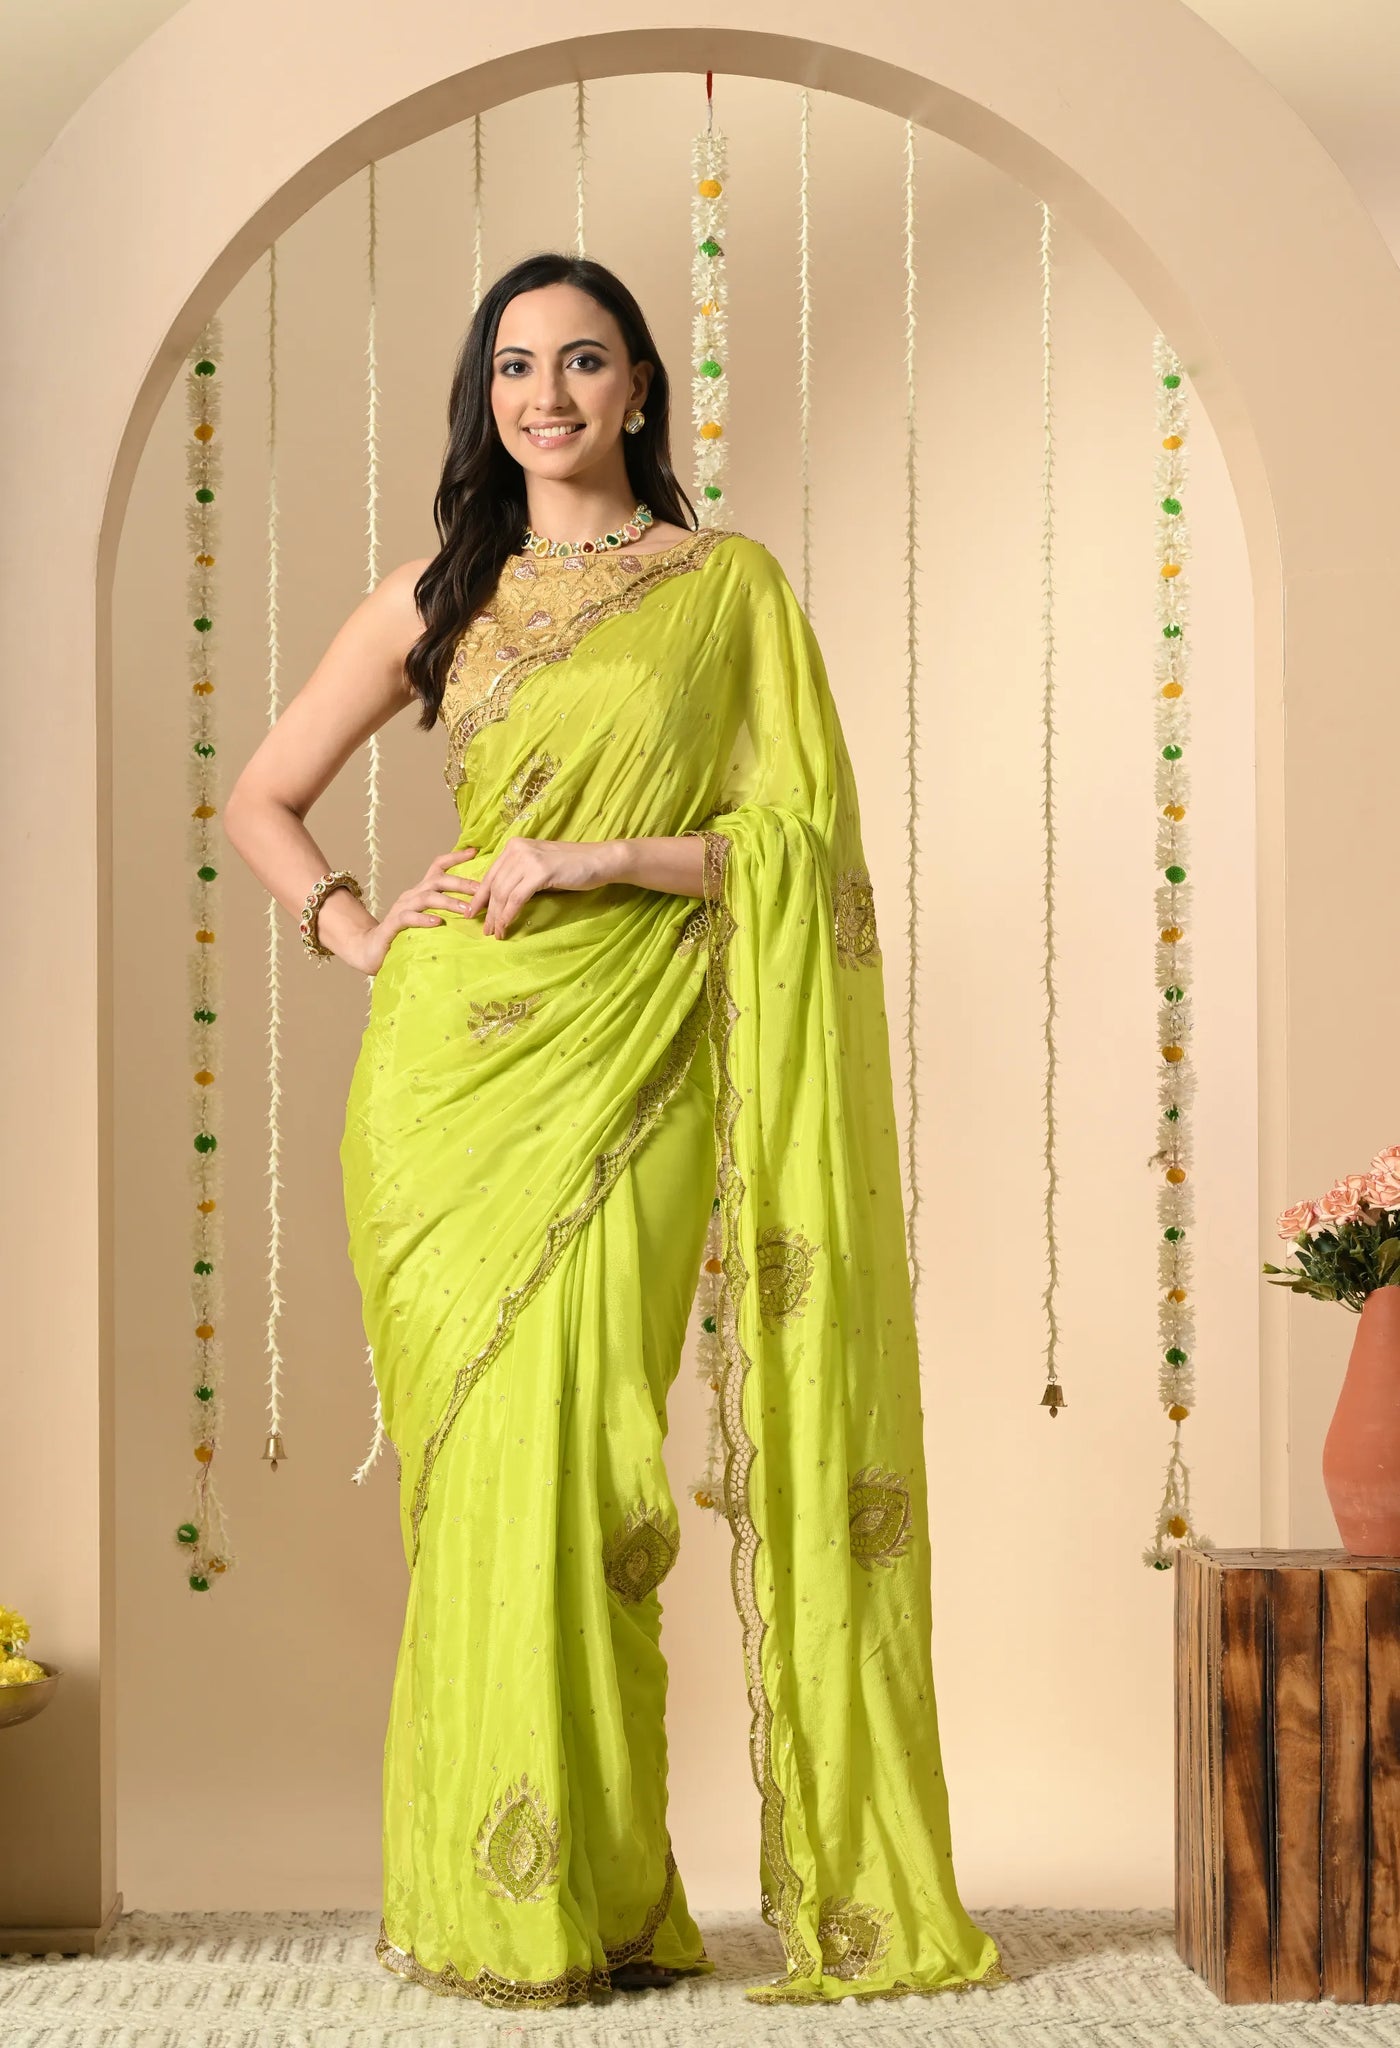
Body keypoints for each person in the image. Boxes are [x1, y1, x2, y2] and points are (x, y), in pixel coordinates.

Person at [223, 251, 1006, 2012]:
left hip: (635, 1050)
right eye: (515, 366)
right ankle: (513, 1907)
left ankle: (603, 1892)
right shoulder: (436, 592)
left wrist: (596, 856)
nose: (547, 396)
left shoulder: (727, 590)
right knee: (480, 1483)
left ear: (641, 384)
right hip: (446, 1083)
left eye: (583, 362)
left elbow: (798, 849)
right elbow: (262, 795)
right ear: (484, 394)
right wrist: (356, 928)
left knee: (590, 1471)